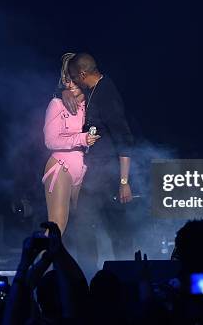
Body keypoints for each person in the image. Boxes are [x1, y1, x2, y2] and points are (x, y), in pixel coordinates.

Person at [62, 52, 135, 275]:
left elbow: (124, 139)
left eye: (75, 77)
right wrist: (66, 91)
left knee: (116, 228)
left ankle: (125, 274)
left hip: (110, 175)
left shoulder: (107, 93)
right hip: (94, 174)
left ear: (83, 74)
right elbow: (70, 93)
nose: (74, 82)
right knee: (84, 225)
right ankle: (88, 274)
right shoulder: (94, 90)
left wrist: (124, 181)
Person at [42, 53, 100, 234]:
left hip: (81, 168)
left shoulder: (90, 105)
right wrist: (82, 138)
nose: (70, 84)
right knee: (57, 226)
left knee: (79, 226)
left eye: (73, 79)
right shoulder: (57, 104)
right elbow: (50, 141)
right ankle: (35, 261)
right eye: (66, 80)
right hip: (61, 166)